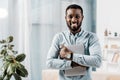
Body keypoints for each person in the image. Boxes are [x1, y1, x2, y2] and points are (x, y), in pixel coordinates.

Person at [46, 4, 102, 80]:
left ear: (82, 18)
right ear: (65, 18)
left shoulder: (91, 37)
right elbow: (49, 63)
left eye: (77, 16)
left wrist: (70, 56)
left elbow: (97, 61)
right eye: (70, 16)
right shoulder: (59, 37)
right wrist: (71, 64)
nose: (74, 20)